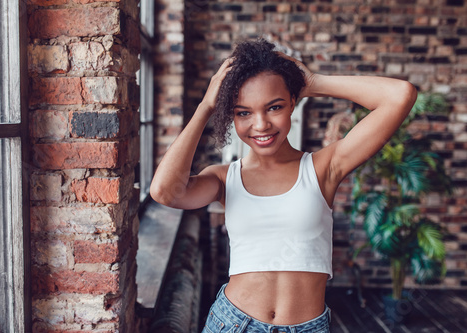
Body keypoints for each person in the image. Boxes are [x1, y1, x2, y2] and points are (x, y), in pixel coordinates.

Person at [150, 38, 417, 333]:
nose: (261, 124)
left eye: (274, 107)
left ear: (293, 102)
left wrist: (313, 81)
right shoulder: (225, 178)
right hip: (233, 323)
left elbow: (400, 95)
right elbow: (164, 192)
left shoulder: (323, 168)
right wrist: (206, 105)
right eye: (243, 112)